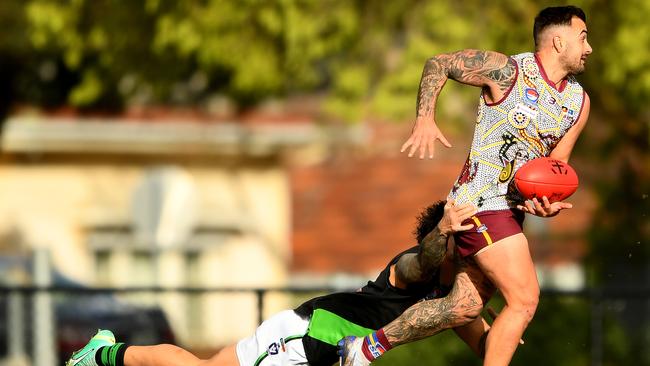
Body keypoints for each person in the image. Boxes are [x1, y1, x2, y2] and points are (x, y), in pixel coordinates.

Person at [339, 5, 592, 366]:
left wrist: (546, 204)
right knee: (524, 300)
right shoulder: (507, 71)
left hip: (510, 215)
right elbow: (437, 62)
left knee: (463, 308)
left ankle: (364, 348)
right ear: (558, 40)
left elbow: (557, 168)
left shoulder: (578, 103)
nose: (589, 48)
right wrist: (425, 117)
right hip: (479, 205)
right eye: (583, 37)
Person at [66, 200, 497, 366]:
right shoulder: (411, 267)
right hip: (307, 336)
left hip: (313, 345)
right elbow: (427, 257)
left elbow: (487, 345)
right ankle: (102, 355)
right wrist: (443, 231)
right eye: (466, 246)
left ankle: (102, 352)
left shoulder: (450, 300)